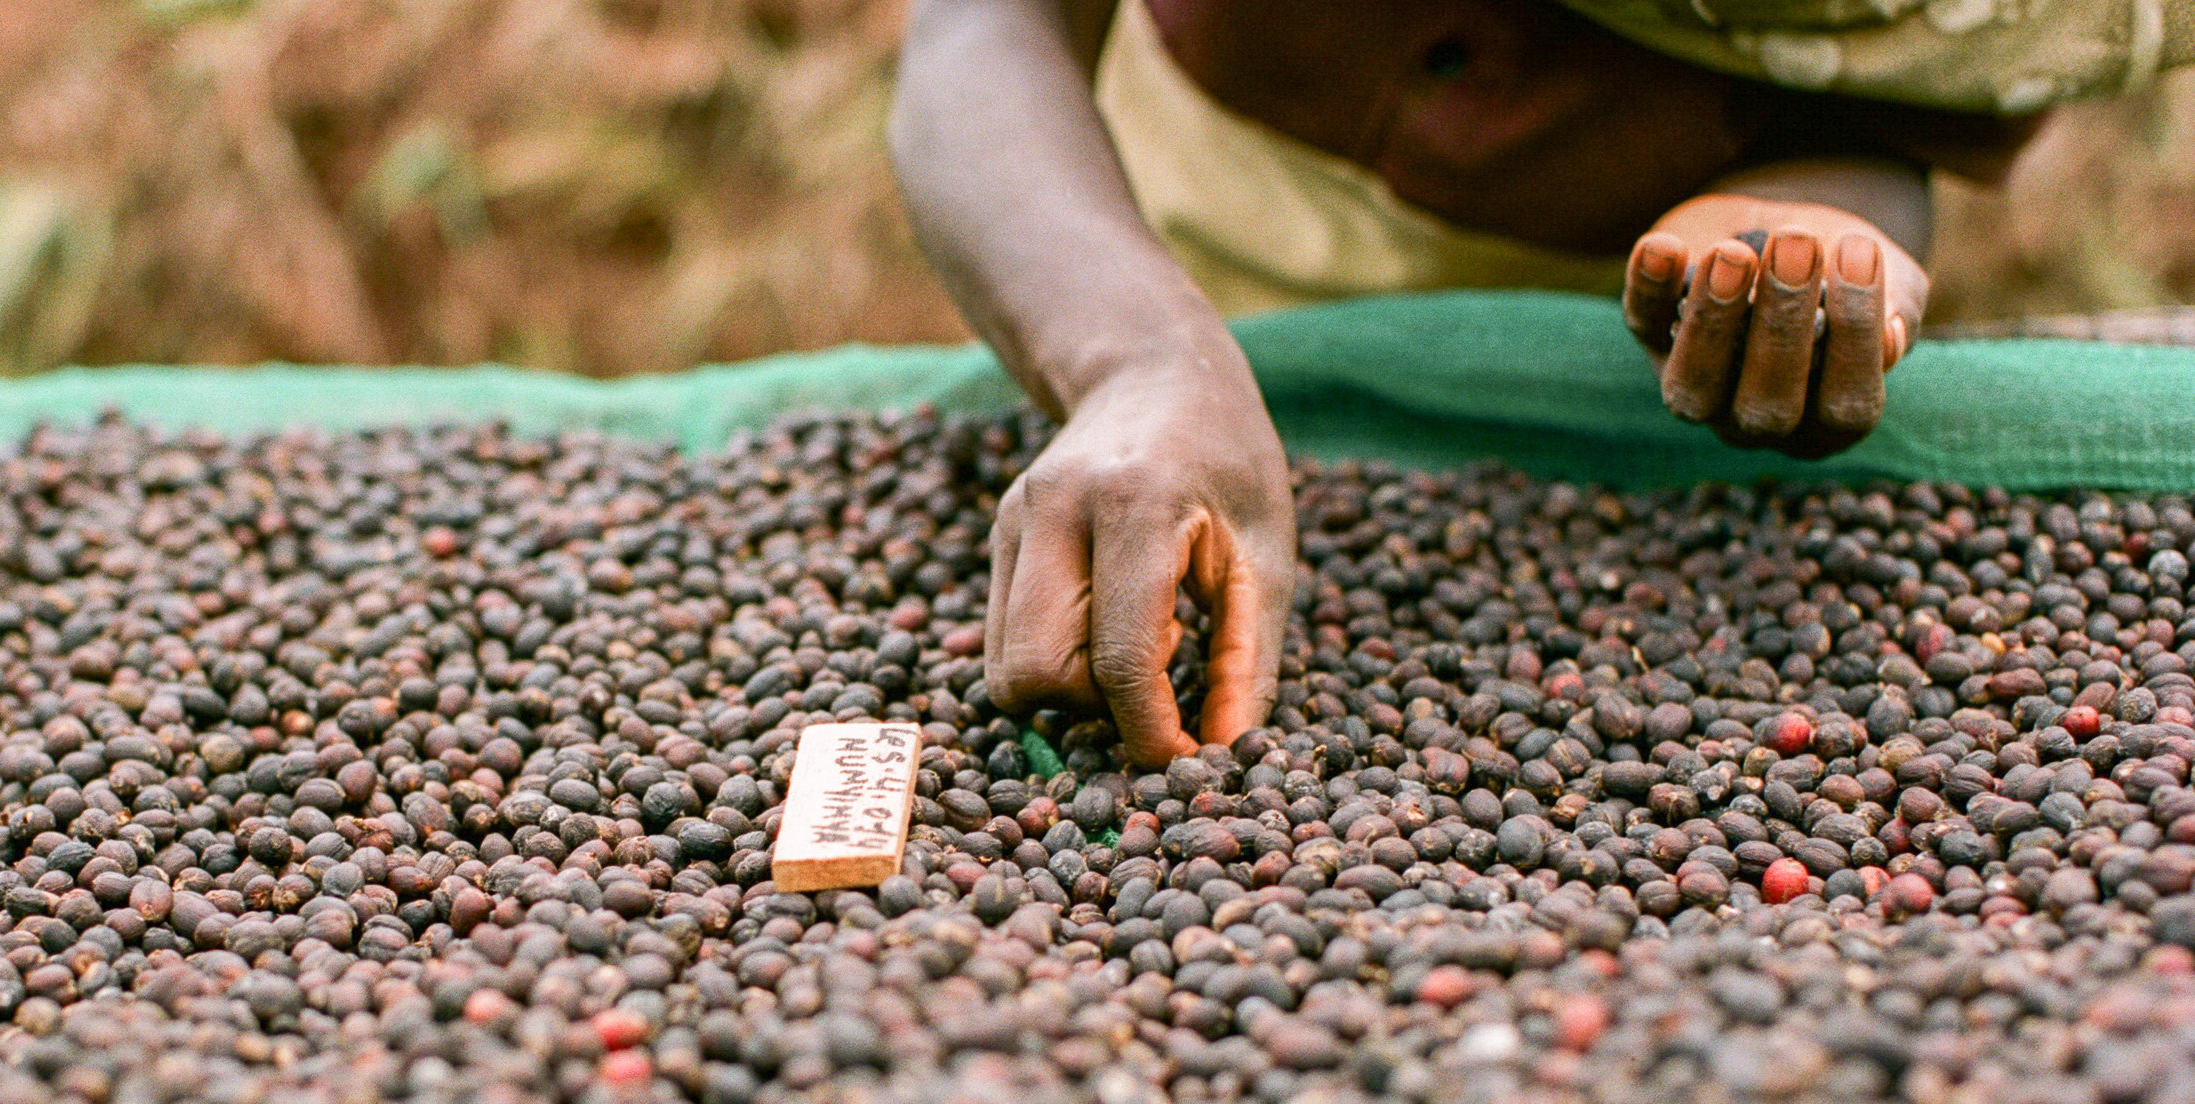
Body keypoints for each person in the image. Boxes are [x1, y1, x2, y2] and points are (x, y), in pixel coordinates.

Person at [889, 0, 2187, 765]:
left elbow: (1884, 123)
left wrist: (1809, 230)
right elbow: (980, 28)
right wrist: (1129, 358)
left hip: (1621, 380)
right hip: (1147, 248)